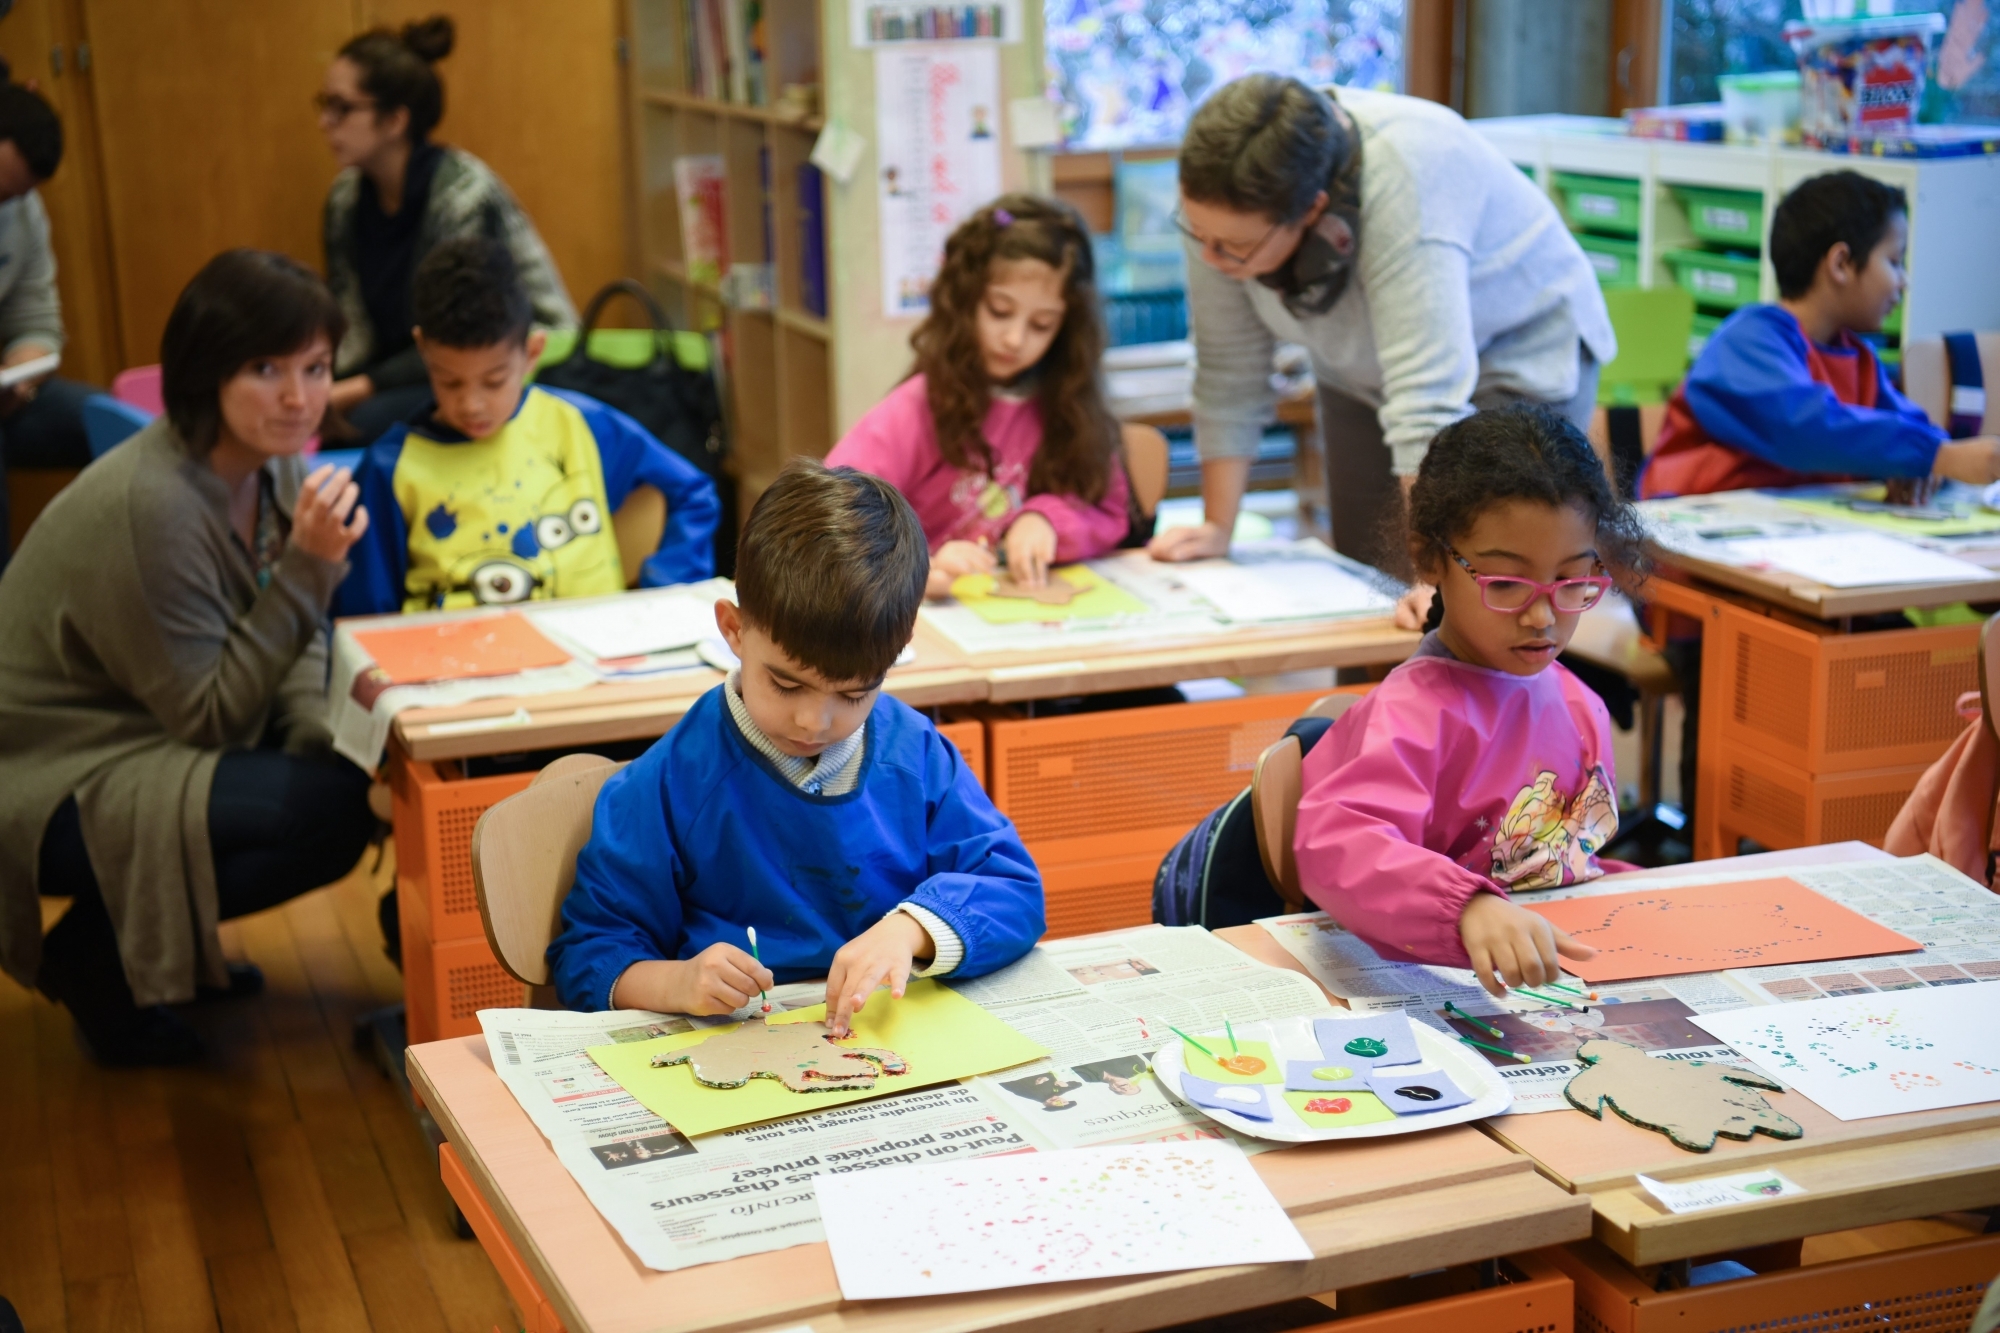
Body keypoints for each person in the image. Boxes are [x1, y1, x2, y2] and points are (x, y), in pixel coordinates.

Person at [0, 250, 376, 1066]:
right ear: (205, 372)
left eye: (315, 367)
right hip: (51, 772)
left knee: (340, 777)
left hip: (143, 728)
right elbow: (212, 717)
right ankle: (95, 957)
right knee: (330, 812)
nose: (297, 396)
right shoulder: (157, 503)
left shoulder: (267, 459)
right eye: (265, 367)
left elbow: (297, 632)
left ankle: (146, 944)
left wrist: (317, 732)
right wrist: (313, 567)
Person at [546, 459, 1044, 1032]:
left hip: (890, 1042)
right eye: (785, 683)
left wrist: (911, 930)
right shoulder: (670, 782)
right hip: (737, 1053)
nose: (814, 721)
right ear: (733, 629)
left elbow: (1013, 888)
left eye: (855, 694)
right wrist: (677, 982)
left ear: (898, 651)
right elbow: (588, 954)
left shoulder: (914, 753)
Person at [1152, 74, 1614, 627]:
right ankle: (1364, 716)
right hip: (1360, 362)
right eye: (1196, 232)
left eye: (1234, 247)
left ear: (1311, 211)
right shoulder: (1226, 202)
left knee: (1474, 603)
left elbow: (1426, 400)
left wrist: (1429, 578)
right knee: (1366, 587)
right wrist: (1217, 529)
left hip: (1516, 354)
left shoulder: (1411, 176)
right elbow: (1228, 369)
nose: (1211, 257)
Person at [1293, 406, 1643, 998]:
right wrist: (1466, 909)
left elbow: (1564, 861)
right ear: (1431, 560)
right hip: (1443, 983)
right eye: (1505, 583)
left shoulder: (1579, 701)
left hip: (1547, 974)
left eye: (1572, 583)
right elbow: (1338, 844)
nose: (1542, 617)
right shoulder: (1410, 715)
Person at [331, 236, 719, 615]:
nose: (471, 403)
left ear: (532, 353)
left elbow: (693, 493)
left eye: (494, 381)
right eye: (449, 380)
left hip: (596, 660)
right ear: (423, 351)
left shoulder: (580, 424)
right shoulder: (389, 469)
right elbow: (366, 622)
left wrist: (663, 594)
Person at [825, 195, 1134, 599]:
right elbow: (829, 517)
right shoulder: (919, 407)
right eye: (1000, 311)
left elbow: (1109, 511)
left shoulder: (1069, 406)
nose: (1015, 339)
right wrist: (916, 570)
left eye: (1042, 325)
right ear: (966, 300)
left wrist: (1048, 521)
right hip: (923, 624)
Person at [1642, 170, 2000, 498]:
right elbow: (1804, 428)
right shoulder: (1747, 342)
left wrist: (1927, 463)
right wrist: (1934, 456)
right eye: (1893, 261)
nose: (1903, 282)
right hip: (1684, 551)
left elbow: (1910, 427)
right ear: (1841, 264)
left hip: (1788, 544)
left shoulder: (1857, 358)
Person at [318, 15, 576, 446]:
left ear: (395, 120)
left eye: (342, 108)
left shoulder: (462, 196)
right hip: (423, 369)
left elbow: (463, 332)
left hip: (499, 368)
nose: (326, 122)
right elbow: (348, 325)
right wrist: (317, 389)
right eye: (323, 104)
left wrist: (352, 391)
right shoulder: (344, 199)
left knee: (360, 428)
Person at [0, 81, 98, 569]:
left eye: (14, 195)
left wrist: (21, 374)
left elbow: (38, 321)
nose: (6, 204)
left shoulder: (22, 211)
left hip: (7, 400)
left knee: (107, 423)